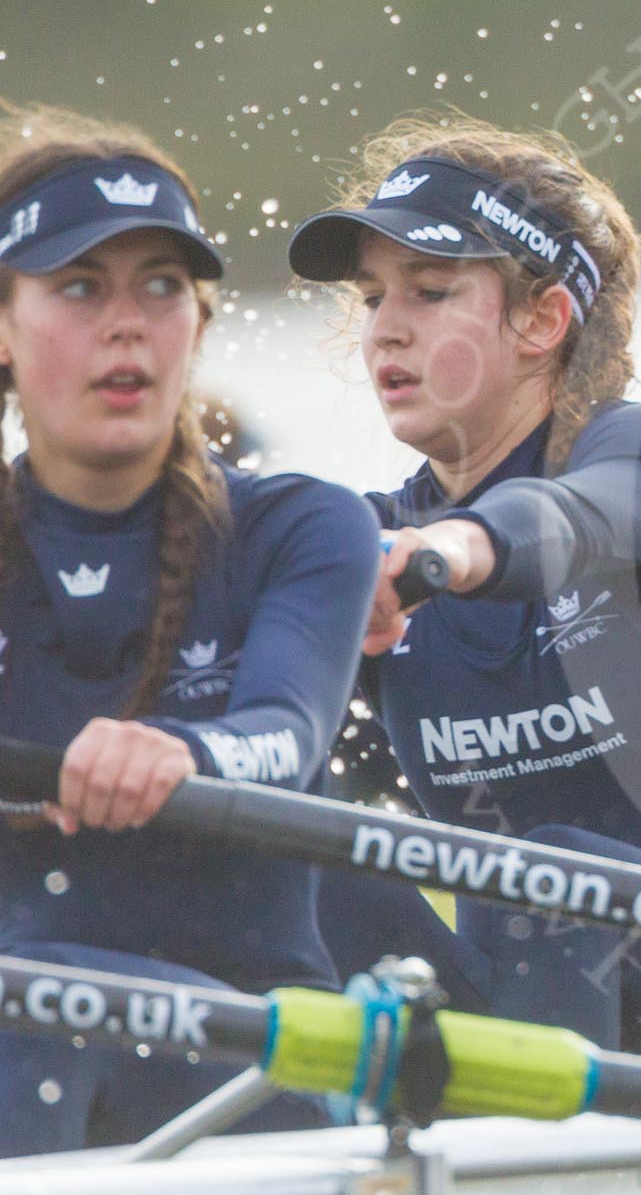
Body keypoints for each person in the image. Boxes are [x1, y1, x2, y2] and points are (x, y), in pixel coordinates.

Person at [288, 115, 641, 1077]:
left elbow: (573, 518)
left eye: (430, 292)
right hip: (550, 1029)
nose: (384, 328)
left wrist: (456, 551)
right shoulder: (364, 539)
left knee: (553, 870)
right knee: (286, 849)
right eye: (374, 296)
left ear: (542, 322)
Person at [0, 105, 379, 1153]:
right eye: (80, 287)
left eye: (161, 287)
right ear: (4, 323)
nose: (128, 323)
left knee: (39, 997)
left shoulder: (302, 525)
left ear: (200, 324)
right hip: (20, 1036)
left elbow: (287, 731)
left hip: (260, 1071)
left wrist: (181, 752)